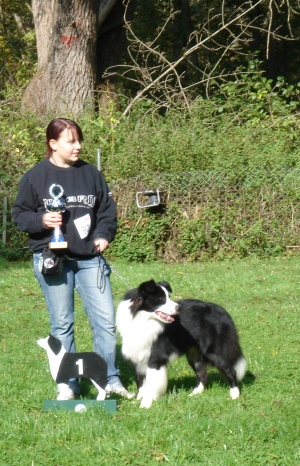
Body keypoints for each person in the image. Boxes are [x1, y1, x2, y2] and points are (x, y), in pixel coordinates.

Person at [13, 117, 133, 400]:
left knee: (104, 321)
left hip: (90, 260)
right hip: (52, 261)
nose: (78, 146)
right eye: (71, 141)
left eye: (79, 140)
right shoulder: (34, 177)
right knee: (62, 323)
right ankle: (68, 383)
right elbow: (20, 216)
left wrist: (104, 234)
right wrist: (42, 219)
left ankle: (111, 379)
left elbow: (106, 212)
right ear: (53, 144)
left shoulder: (91, 174)